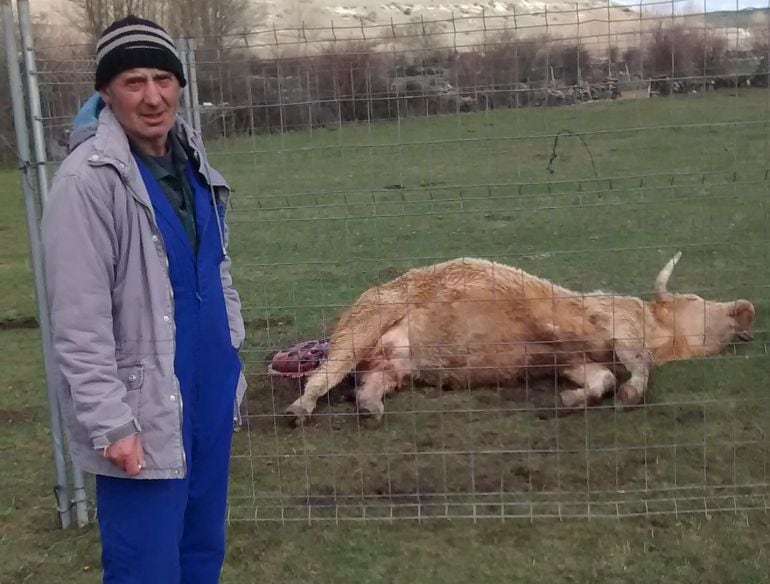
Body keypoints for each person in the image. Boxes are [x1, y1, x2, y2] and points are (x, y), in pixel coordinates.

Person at [41, 15, 246, 584]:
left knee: (202, 553)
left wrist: (233, 361)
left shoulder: (193, 162)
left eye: (164, 78)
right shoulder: (87, 183)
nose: (153, 97)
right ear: (106, 92)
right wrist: (111, 423)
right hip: (141, 408)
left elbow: (218, 273)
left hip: (208, 393)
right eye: (134, 82)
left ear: (180, 83)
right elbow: (78, 324)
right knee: (146, 568)